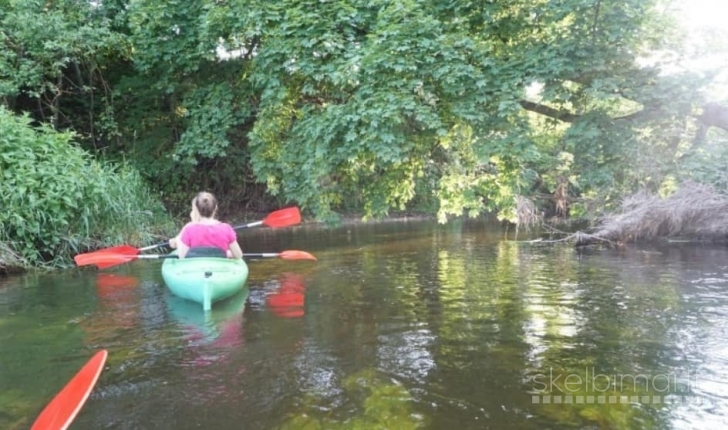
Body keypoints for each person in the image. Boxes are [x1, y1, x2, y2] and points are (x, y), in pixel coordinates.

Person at [169, 192, 243, 259]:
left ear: (196, 209)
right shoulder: (226, 229)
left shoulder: (189, 229)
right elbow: (238, 256)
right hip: (220, 270)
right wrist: (227, 253)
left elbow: (182, 257)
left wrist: (178, 240)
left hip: (196, 270)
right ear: (216, 207)